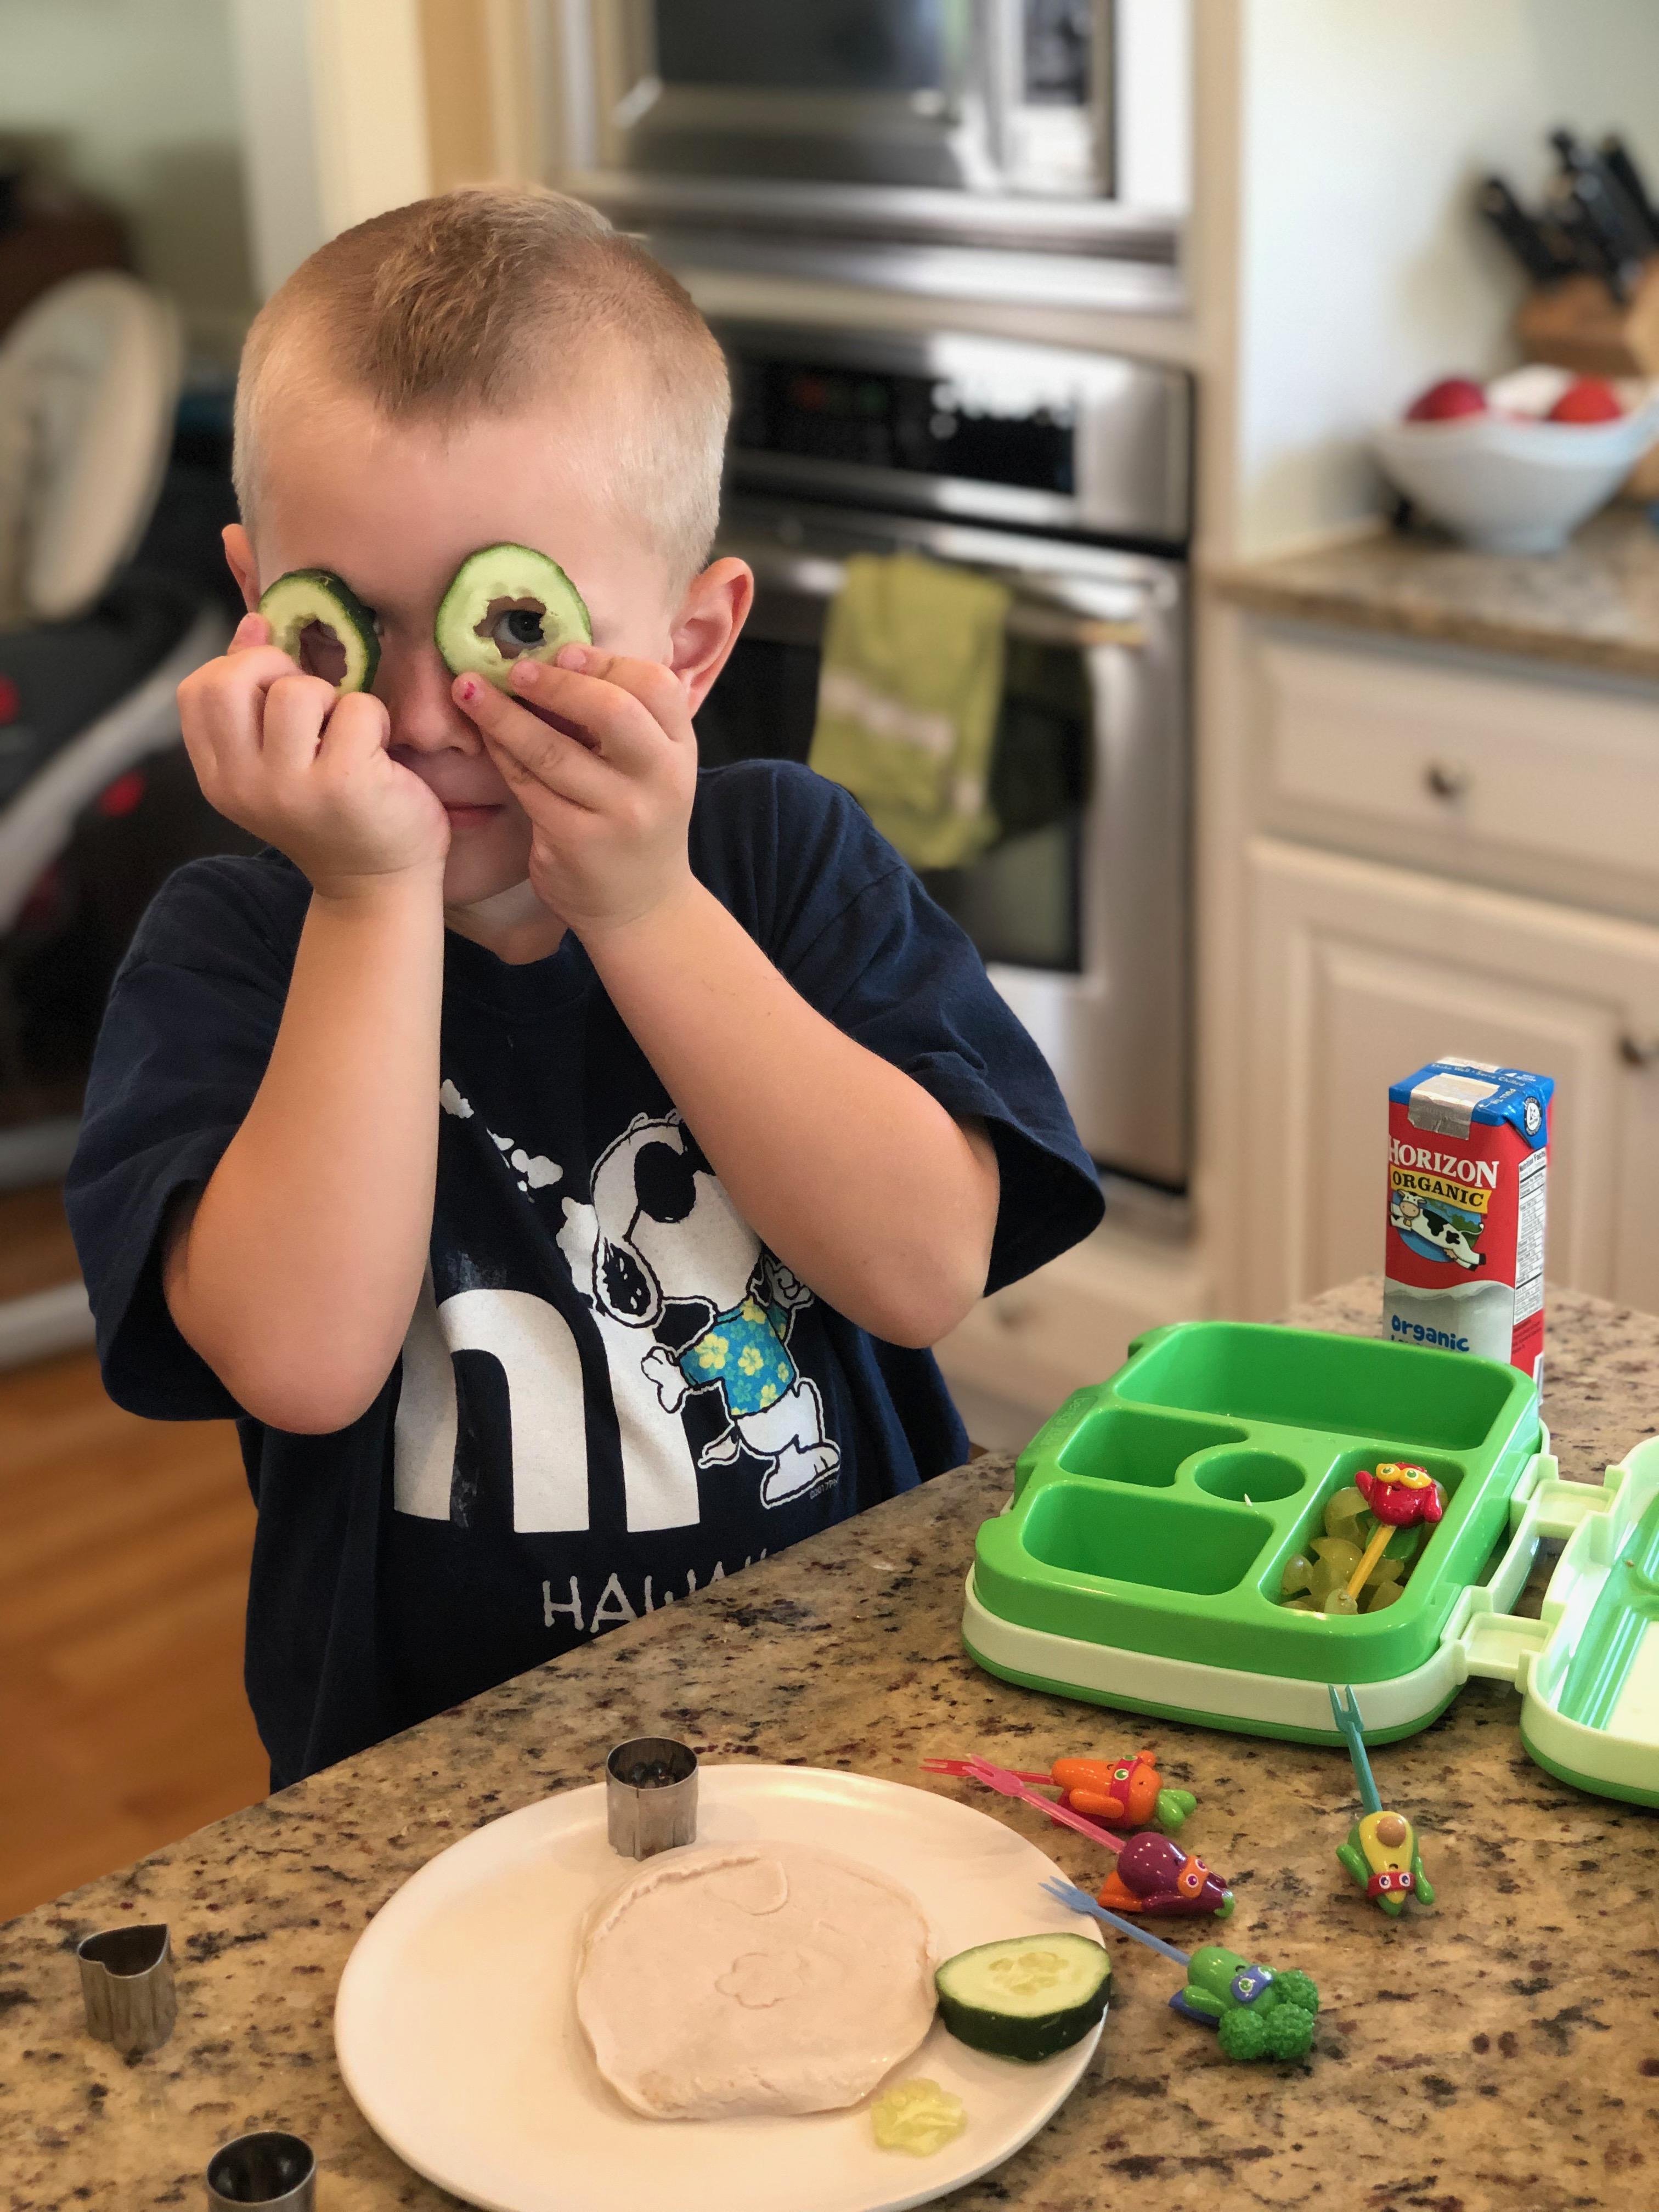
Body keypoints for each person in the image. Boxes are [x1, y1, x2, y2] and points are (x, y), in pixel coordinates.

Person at [66, 186, 1104, 1790]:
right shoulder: (231, 945)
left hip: (853, 1730)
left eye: (507, 631)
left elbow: (925, 1267)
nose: (417, 714)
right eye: (346, 630)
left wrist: (647, 904)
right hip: (420, 1793)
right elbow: (300, 1359)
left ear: (691, 649)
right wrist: (368, 893)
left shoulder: (783, 862)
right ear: (256, 597)